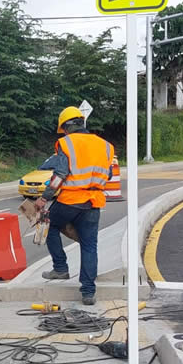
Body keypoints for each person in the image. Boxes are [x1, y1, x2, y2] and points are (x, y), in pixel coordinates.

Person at [36, 106, 114, 305]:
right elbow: (109, 174)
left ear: (67, 126)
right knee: (89, 245)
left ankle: (61, 268)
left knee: (49, 225)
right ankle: (88, 292)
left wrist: (44, 198)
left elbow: (60, 174)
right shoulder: (105, 145)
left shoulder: (66, 143)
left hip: (70, 200)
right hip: (93, 202)